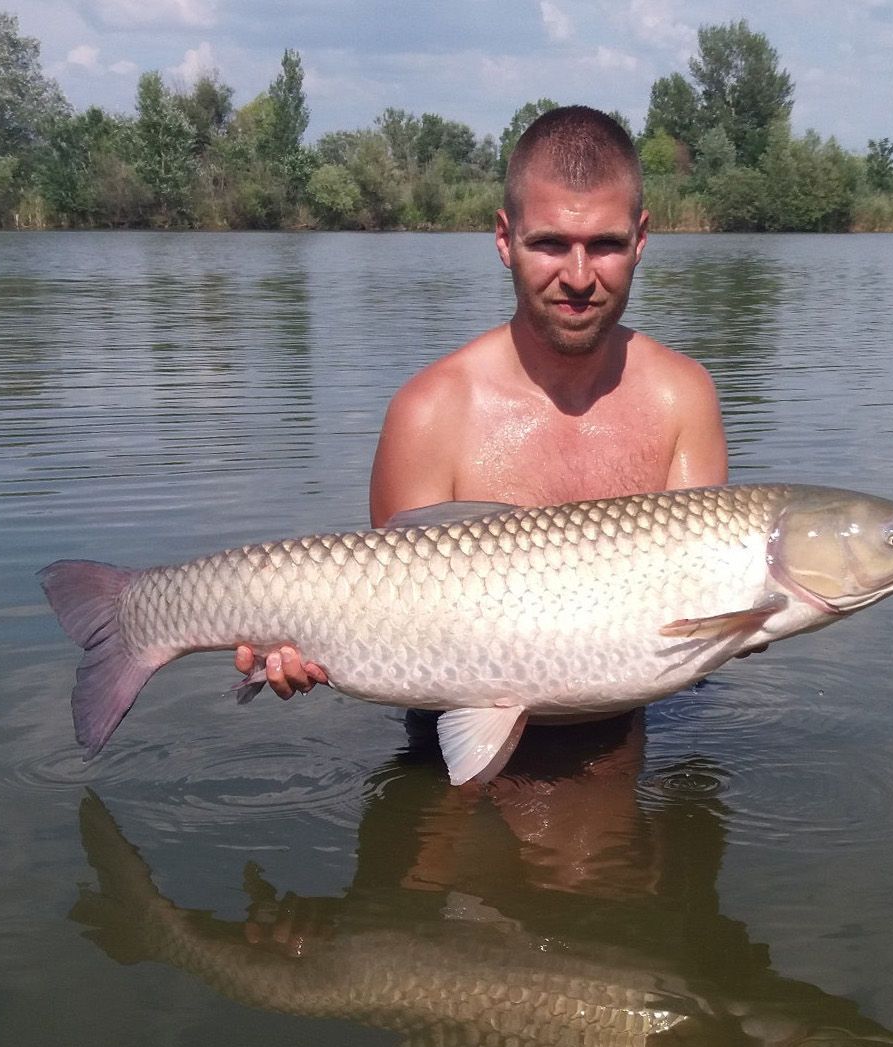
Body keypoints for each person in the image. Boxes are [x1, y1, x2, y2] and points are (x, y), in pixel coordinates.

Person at [235, 103, 730, 700]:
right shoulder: (431, 411)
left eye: (604, 245)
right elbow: (393, 625)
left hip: (617, 736)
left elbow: (700, 620)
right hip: (445, 744)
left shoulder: (684, 397)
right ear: (504, 239)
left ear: (641, 240)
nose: (577, 276)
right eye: (549, 243)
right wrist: (308, 643)